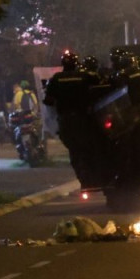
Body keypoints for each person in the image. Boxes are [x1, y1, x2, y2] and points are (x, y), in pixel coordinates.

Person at [43, 50, 102, 184]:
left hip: (65, 121)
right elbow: (100, 84)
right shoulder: (84, 76)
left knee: (74, 150)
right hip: (84, 119)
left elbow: (48, 101)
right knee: (90, 146)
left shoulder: (56, 79)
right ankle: (94, 174)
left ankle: (83, 179)